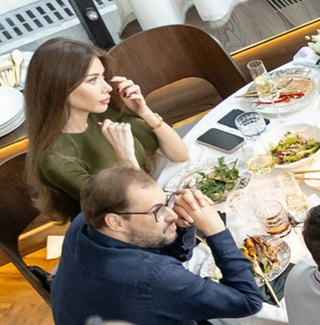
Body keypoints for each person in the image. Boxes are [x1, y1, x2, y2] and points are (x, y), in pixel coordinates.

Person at [51, 166, 265, 325]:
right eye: (157, 211)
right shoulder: (152, 277)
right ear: (115, 221)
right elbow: (248, 300)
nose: (171, 214)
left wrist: (181, 227)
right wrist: (216, 230)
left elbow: (157, 257)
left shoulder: (82, 226)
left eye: (165, 203)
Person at [22, 36, 194, 219]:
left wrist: (144, 111)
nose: (107, 88)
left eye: (103, 77)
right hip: (135, 229)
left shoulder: (102, 113)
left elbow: (180, 154)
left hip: (158, 207)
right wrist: (126, 156)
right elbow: (138, 210)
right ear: (60, 89)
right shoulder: (56, 159)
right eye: (93, 80)